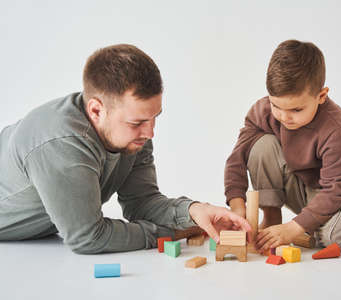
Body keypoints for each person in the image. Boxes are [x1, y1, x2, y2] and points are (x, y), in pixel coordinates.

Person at [0, 44, 251, 254]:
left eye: (155, 118)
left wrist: (194, 211)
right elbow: (88, 237)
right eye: (138, 122)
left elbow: (141, 203)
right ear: (96, 110)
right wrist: (176, 232)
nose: (150, 133)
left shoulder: (133, 136)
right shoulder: (60, 144)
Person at [224, 40, 341, 252]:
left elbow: (338, 187)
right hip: (301, 183)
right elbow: (237, 158)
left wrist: (294, 229)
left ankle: (311, 225)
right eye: (276, 105)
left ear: (321, 96)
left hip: (338, 189)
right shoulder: (263, 110)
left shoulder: (335, 128)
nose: (284, 117)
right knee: (261, 145)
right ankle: (273, 217)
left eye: (296, 109)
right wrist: (237, 206)